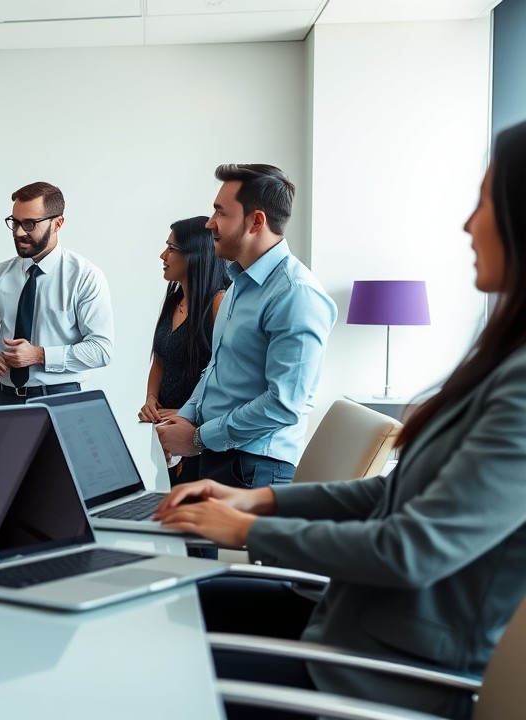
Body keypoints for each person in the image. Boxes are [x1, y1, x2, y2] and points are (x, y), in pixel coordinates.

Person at [155, 120, 526, 719]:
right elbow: (392, 495)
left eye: (483, 201)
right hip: (352, 626)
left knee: (158, 665)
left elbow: (411, 548)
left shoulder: (522, 386)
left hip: (379, 670)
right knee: (164, 610)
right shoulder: (503, 361)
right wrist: (257, 504)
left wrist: (246, 528)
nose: (466, 224)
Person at [157, 165, 336, 488]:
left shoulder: (296, 294)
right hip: (217, 454)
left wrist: (197, 438)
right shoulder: (239, 282)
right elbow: (216, 370)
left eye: (220, 212)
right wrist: (185, 416)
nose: (210, 223)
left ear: (256, 221)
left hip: (254, 469)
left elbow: (283, 404)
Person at [0, 181, 115, 407]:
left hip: (60, 399)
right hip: (0, 397)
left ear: (57, 223)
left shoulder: (85, 276)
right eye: (15, 222)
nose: (18, 232)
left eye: (29, 224)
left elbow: (101, 350)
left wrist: (39, 355)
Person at [138, 216, 230, 483]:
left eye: (171, 249)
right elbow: (160, 360)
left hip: (196, 435)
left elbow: (223, 374)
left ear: (196, 255)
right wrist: (151, 400)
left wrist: (185, 413)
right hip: (166, 431)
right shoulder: (174, 300)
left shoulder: (219, 303)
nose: (162, 255)